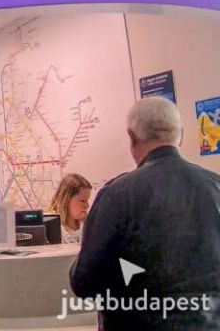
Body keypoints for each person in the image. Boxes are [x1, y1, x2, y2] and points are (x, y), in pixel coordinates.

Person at [70, 98, 220, 329]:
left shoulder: (116, 195)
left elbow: (85, 282)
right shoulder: (216, 186)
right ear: (180, 134)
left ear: (132, 137)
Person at [48, 173, 92, 244]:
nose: (87, 205)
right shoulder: (52, 229)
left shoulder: (89, 226)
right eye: (83, 201)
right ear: (66, 200)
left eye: (87, 200)